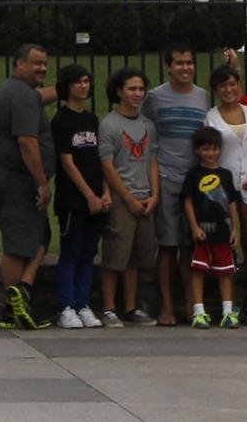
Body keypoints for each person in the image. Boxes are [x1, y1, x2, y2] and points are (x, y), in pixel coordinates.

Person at [0, 42, 54, 330]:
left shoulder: (15, 91)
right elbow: (27, 143)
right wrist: (41, 182)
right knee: (16, 245)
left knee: (41, 235)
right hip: (16, 179)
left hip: (9, 178)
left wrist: (65, 88)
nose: (43, 68)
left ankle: (22, 290)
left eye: (45, 63)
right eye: (36, 63)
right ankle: (11, 308)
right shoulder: (23, 97)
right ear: (19, 64)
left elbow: (39, 97)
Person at [142, 44, 209, 326]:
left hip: (196, 181)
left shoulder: (203, 97)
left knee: (192, 247)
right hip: (168, 178)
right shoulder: (155, 98)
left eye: (189, 63)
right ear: (168, 67)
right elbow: (146, 136)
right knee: (168, 246)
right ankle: (167, 307)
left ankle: (192, 306)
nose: (185, 68)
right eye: (179, 63)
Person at [206, 62, 247, 323]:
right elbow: (209, 154)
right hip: (224, 189)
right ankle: (227, 304)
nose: (229, 89)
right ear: (217, 90)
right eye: (223, 86)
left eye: (233, 84)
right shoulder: (211, 117)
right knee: (226, 244)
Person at [97, 67, 158, 327]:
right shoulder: (109, 124)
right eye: (132, 89)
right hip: (123, 198)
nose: (137, 94)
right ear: (120, 91)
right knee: (115, 255)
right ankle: (109, 307)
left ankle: (131, 306)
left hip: (145, 196)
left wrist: (154, 194)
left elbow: (152, 160)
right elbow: (107, 166)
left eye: (141, 89)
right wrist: (128, 198)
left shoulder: (147, 124)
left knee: (137, 256)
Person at [50, 64, 109, 328]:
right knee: (71, 252)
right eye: (77, 82)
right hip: (73, 199)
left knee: (89, 253)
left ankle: (83, 304)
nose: (83, 86)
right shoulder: (61, 120)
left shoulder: (92, 120)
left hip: (97, 197)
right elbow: (67, 162)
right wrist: (88, 195)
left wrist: (104, 192)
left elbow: (100, 159)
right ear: (67, 86)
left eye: (87, 81)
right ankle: (66, 306)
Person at [180, 127, 242, 329]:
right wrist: (194, 226)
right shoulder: (193, 174)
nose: (210, 153)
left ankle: (227, 312)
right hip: (202, 232)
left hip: (223, 232)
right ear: (198, 151)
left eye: (214, 149)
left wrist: (235, 228)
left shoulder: (225, 174)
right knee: (198, 270)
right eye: (206, 149)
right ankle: (199, 311)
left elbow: (232, 202)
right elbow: (187, 201)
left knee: (226, 272)